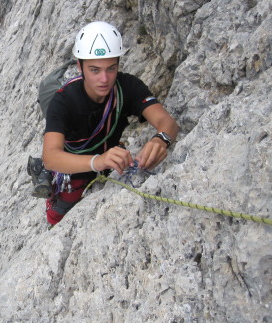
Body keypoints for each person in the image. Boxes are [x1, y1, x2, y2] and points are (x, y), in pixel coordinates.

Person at [36, 21, 179, 227]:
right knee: (59, 218)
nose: (104, 79)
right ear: (80, 66)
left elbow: (167, 122)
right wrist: (98, 161)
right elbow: (50, 157)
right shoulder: (64, 101)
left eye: (111, 68)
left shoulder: (127, 87)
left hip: (107, 164)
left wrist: (161, 139)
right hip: (73, 172)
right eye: (94, 70)